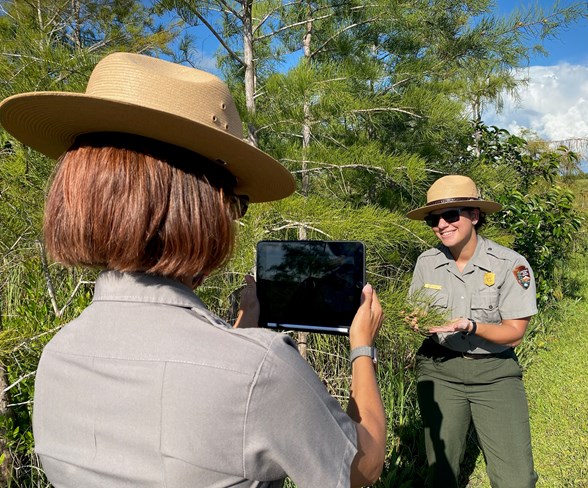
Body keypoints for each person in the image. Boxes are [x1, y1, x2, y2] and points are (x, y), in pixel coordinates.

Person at [0, 52, 386, 487]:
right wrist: (361, 347)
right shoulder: (263, 369)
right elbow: (361, 466)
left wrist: (242, 329)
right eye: (234, 205)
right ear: (200, 210)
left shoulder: (58, 355)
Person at [405, 175, 538, 487]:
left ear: (475, 216)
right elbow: (416, 309)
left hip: (494, 373)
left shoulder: (510, 265)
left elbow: (515, 333)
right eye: (433, 219)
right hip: (439, 369)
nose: (442, 225)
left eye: (451, 215)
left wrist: (472, 326)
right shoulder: (427, 262)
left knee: (516, 478)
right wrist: (414, 319)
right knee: (441, 470)